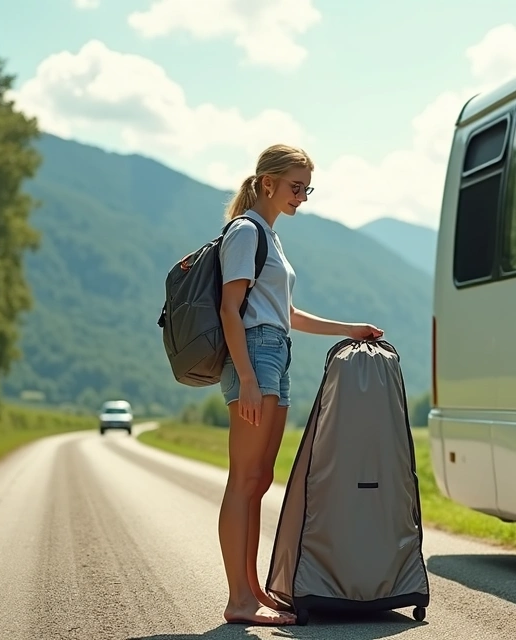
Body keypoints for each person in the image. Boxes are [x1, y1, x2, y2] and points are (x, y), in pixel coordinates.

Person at [216, 143, 383, 626]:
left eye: (307, 188)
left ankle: (251, 591)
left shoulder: (269, 236)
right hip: (255, 356)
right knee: (243, 480)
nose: (302, 197)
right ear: (268, 182)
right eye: (296, 186)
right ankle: (239, 601)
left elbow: (285, 314)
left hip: (276, 352)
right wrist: (246, 377)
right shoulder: (246, 231)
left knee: (259, 481)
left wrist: (348, 329)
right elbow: (231, 309)